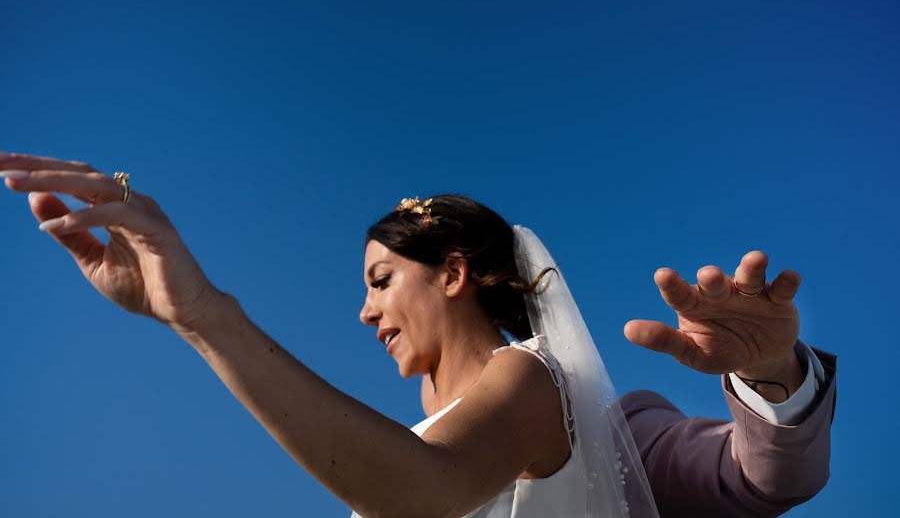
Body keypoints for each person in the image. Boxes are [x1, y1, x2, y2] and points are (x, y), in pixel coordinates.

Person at [0, 151, 835, 517]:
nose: (364, 313)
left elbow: (756, 482)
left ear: (454, 272)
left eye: (378, 281)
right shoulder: (385, 445)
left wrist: (773, 377)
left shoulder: (558, 393)